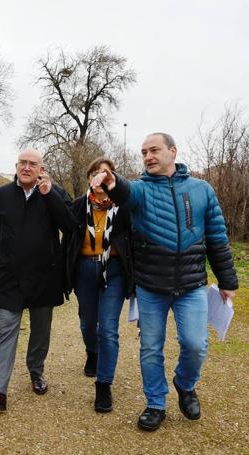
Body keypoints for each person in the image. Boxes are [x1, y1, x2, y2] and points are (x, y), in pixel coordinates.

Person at [91, 133, 238, 431]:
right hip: (150, 286)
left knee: (196, 344)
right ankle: (155, 403)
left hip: (192, 285)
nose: (148, 157)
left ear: (173, 151)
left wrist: (227, 279)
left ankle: (185, 384)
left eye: (154, 150)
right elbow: (124, 191)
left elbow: (218, 238)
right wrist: (110, 179)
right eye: (144, 152)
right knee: (150, 348)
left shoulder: (202, 190)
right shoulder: (141, 190)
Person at [0, 149, 74, 411]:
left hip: (44, 277)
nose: (26, 168)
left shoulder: (54, 193)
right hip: (9, 278)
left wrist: (49, 195)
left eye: (33, 164)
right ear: (16, 166)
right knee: (5, 332)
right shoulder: (2, 195)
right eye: (22, 163)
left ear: (42, 169)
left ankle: (36, 371)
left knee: (40, 332)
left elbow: (71, 226)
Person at [64, 157, 134, 413]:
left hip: (114, 270)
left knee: (108, 328)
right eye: (95, 173)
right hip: (84, 268)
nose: (100, 179)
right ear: (89, 179)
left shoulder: (124, 207)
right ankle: (92, 352)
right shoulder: (78, 206)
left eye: (106, 174)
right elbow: (66, 239)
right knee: (87, 321)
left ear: (112, 179)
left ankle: (104, 384)